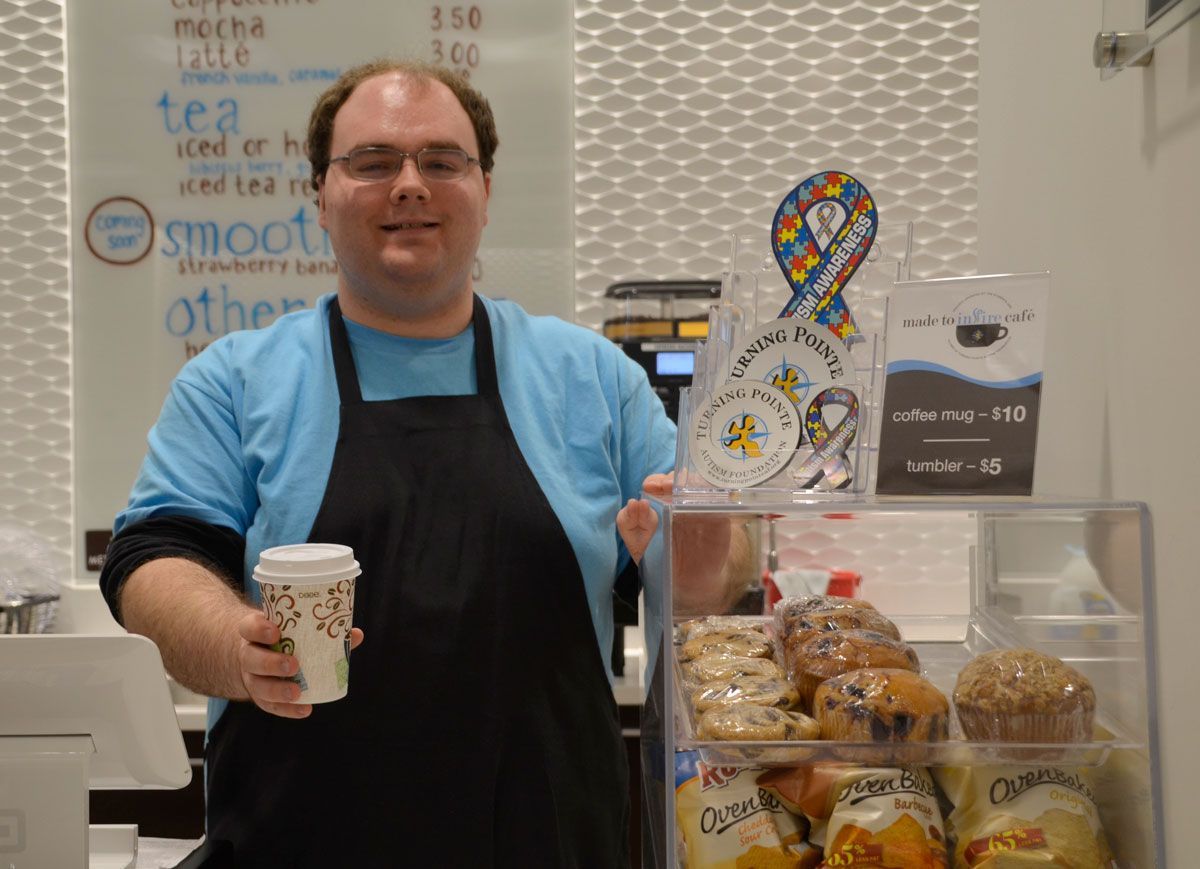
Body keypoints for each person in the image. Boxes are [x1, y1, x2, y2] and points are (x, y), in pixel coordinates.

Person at [99, 59, 683, 868]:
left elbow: (702, 568)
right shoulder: (236, 380)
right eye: (372, 162)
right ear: (320, 196)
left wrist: (714, 543)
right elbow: (152, 560)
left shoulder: (591, 378)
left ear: (484, 190)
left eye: (442, 161)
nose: (409, 184)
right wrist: (234, 640)